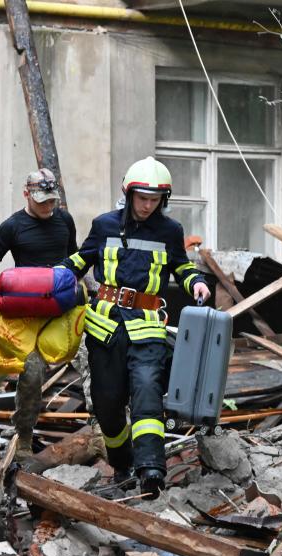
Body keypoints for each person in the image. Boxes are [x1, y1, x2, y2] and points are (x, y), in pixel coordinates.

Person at [60, 156, 209, 498]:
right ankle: (122, 463)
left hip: (147, 328)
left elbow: (182, 268)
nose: (147, 205)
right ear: (129, 194)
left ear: (163, 200)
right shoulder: (104, 225)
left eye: (154, 200)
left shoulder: (170, 231)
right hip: (105, 327)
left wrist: (197, 282)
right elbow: (81, 260)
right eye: (142, 198)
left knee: (146, 395)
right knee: (108, 404)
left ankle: (152, 470)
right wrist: (53, 278)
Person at [0, 168, 77, 457]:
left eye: (52, 200)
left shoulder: (65, 221)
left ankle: (101, 428)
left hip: (64, 310)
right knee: (32, 374)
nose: (48, 206)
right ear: (26, 194)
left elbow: (77, 260)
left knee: (93, 360)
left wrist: (92, 292)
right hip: (29, 315)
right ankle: (24, 436)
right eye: (42, 200)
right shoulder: (12, 227)